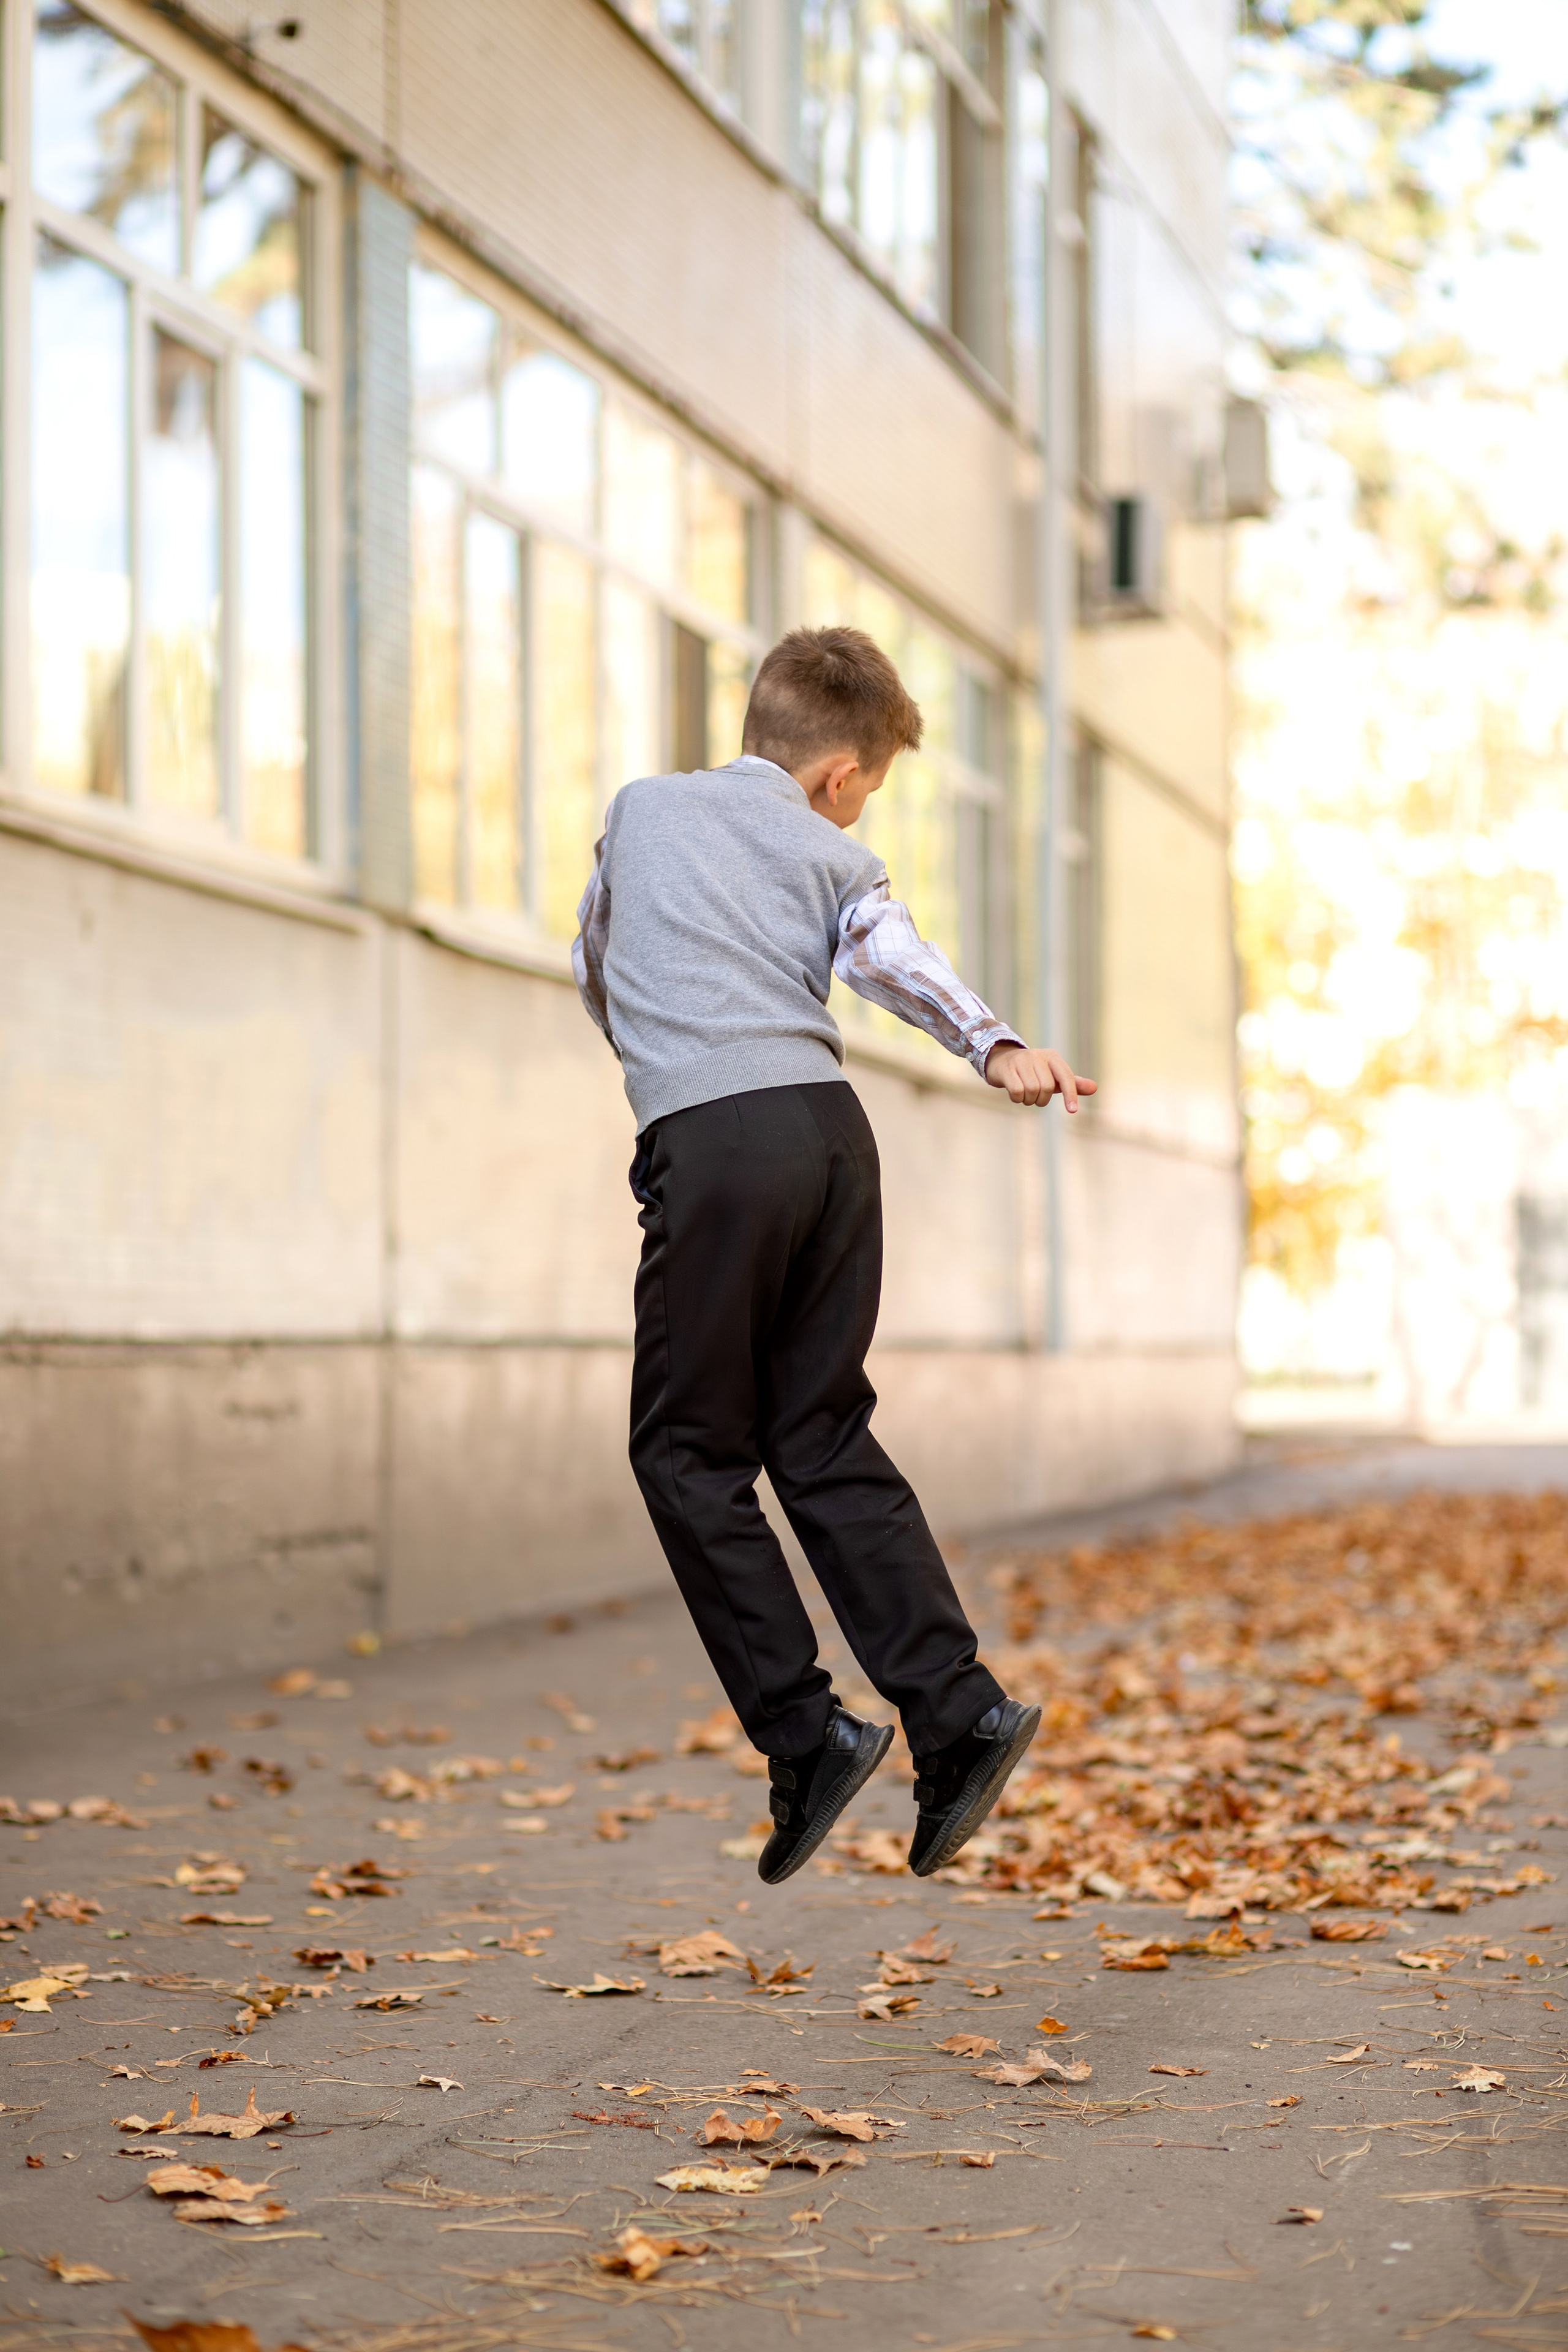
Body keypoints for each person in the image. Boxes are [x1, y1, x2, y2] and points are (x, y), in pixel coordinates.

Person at [573, 625, 1095, 1886]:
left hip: (714, 1140)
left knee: (687, 1454)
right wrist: (994, 1046)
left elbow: (594, 965)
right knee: (815, 1434)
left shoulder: (642, 813)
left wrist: (670, 1062)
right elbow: (889, 959)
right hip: (829, 1137)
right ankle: (956, 1711)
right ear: (839, 777)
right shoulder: (834, 852)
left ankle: (807, 1736)